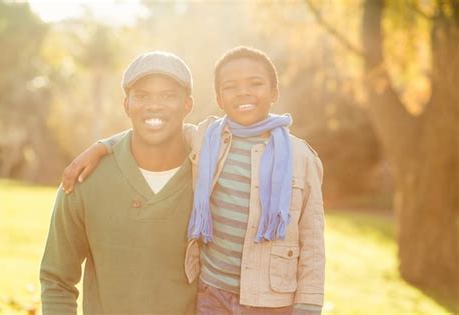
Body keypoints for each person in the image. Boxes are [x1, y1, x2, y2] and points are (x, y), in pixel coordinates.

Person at [63, 46, 325, 315]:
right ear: (219, 99)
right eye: (230, 86)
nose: (243, 92)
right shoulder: (206, 138)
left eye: (255, 84)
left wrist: (307, 307)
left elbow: (313, 240)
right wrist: (102, 146)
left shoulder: (301, 157)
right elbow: (156, 127)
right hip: (212, 293)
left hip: (270, 301)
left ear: (274, 92)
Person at [40, 51, 197, 314]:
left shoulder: (211, 175)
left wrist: (105, 144)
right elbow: (57, 279)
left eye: (169, 95)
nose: (154, 105)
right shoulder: (85, 179)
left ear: (187, 105)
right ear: (126, 105)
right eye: (142, 96)